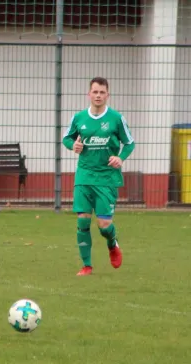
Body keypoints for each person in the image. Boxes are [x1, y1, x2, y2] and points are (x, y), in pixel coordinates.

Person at [62, 77, 135, 276]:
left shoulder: (116, 118)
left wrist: (120, 158)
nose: (98, 96)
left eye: (102, 92)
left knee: (104, 225)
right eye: (95, 92)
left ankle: (112, 243)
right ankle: (87, 266)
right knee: (83, 222)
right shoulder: (78, 118)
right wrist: (72, 146)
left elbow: (129, 143)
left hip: (106, 179)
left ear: (107, 95)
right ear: (89, 94)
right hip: (84, 176)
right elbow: (66, 138)